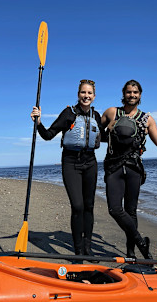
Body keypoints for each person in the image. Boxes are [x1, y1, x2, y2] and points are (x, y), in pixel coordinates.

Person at [101, 79, 157, 259]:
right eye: (129, 92)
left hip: (134, 169)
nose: (132, 95)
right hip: (113, 167)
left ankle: (130, 252)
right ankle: (141, 242)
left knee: (131, 211)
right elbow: (97, 135)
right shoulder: (112, 113)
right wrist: (107, 130)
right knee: (114, 209)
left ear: (140, 95)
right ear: (123, 94)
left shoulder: (147, 119)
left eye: (135, 92)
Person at [30, 79, 105, 257]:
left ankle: (87, 249)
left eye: (89, 93)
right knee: (77, 206)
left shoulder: (96, 116)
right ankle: (78, 251)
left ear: (94, 97)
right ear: (78, 94)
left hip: (90, 163)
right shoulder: (68, 113)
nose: (86, 96)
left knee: (89, 206)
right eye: (83, 93)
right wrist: (38, 122)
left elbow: (104, 137)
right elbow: (48, 135)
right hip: (71, 162)